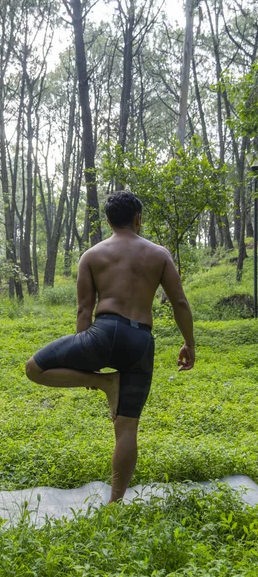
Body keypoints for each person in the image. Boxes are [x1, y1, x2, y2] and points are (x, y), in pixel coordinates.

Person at [26, 190, 195, 503]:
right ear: (138, 219)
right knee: (127, 427)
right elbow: (180, 302)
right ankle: (115, 504)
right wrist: (189, 343)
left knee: (34, 368)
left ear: (107, 220)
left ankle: (104, 381)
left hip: (103, 333)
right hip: (141, 341)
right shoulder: (159, 254)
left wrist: (86, 366)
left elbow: (83, 310)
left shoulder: (92, 255)